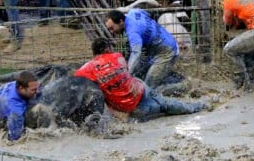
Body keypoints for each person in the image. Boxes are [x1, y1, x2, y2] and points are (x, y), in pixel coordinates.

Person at [74, 37, 207, 121]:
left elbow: (76, 80)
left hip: (128, 108)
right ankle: (200, 105)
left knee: (159, 105)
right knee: (165, 103)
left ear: (93, 52)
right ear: (108, 48)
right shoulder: (117, 56)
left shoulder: (87, 69)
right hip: (141, 91)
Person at [105, 9, 178, 89]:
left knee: (149, 87)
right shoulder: (134, 12)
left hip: (166, 52)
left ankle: (184, 86)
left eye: (112, 28)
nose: (111, 32)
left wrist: (126, 75)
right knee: (141, 73)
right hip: (161, 42)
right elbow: (147, 13)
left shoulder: (133, 32)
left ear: (121, 21)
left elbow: (136, 53)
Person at [0, 70, 40, 141]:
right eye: (34, 90)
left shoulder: (15, 84)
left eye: (37, 88)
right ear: (21, 88)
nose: (37, 91)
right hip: (2, 123)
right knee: (39, 108)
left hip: (0, 104)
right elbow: (15, 137)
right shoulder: (15, 110)